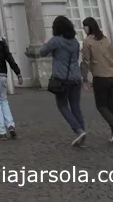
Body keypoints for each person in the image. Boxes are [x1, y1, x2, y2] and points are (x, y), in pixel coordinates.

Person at [40, 15, 85, 145]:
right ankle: (82, 131)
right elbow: (76, 58)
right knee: (76, 106)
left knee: (62, 105)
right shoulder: (75, 42)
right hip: (76, 77)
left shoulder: (55, 41)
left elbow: (43, 52)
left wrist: (45, 42)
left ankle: (78, 130)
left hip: (62, 78)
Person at [81, 16, 113, 143]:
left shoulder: (88, 41)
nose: (83, 29)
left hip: (101, 77)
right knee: (111, 106)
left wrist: (84, 79)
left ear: (89, 27)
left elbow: (85, 61)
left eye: (84, 26)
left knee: (101, 105)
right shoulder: (106, 40)